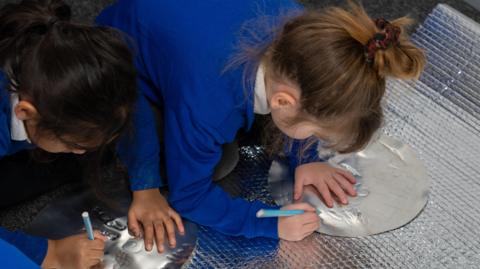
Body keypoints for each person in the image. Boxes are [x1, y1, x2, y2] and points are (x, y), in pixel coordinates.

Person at [97, 0, 425, 241]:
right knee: (217, 163)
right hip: (114, 58)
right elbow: (190, 196)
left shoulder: (304, 36)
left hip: (186, 32)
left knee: (238, 137)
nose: (313, 141)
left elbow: (300, 103)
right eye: (314, 135)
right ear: (283, 101)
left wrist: (305, 158)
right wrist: (269, 225)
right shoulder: (210, 105)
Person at [0, 0, 183, 267]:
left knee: (113, 136)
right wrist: (49, 253)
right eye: (74, 143)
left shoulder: (67, 58)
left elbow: (128, 102)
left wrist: (147, 187)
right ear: (26, 112)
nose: (83, 151)